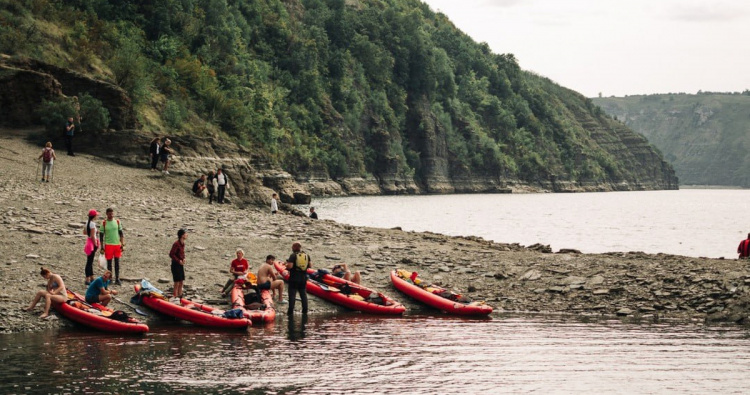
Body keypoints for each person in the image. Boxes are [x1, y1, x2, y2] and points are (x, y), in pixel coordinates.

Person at [99, 207, 124, 285]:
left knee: (117, 262)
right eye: (109, 214)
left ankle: (117, 278)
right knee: (109, 263)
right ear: (107, 214)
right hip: (108, 245)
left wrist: (122, 244)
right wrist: (102, 246)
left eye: (112, 214)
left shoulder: (117, 222)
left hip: (117, 245)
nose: (111, 215)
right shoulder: (104, 223)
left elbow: (121, 233)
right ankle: (110, 279)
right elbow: (101, 235)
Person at [286, 242, 310, 315]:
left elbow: (290, 266)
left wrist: (286, 266)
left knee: (292, 295)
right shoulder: (306, 255)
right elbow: (310, 265)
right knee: (303, 294)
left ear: (294, 247)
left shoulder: (293, 255)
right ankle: (305, 310)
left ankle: (290, 311)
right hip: (303, 278)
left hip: (294, 278)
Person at [170, 228, 188, 300]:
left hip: (180, 265)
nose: (187, 235)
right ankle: (175, 296)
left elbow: (182, 253)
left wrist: (183, 258)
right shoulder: (176, 244)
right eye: (185, 234)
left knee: (181, 281)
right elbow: (171, 254)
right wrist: (178, 260)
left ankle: (180, 296)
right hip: (175, 264)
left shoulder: (182, 243)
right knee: (176, 282)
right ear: (182, 235)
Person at [83, 209, 100, 286]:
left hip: (88, 242)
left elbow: (84, 232)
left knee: (90, 260)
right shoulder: (92, 224)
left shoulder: (87, 223)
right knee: (89, 262)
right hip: (92, 243)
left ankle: (91, 277)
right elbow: (93, 236)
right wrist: (95, 244)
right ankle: (87, 278)